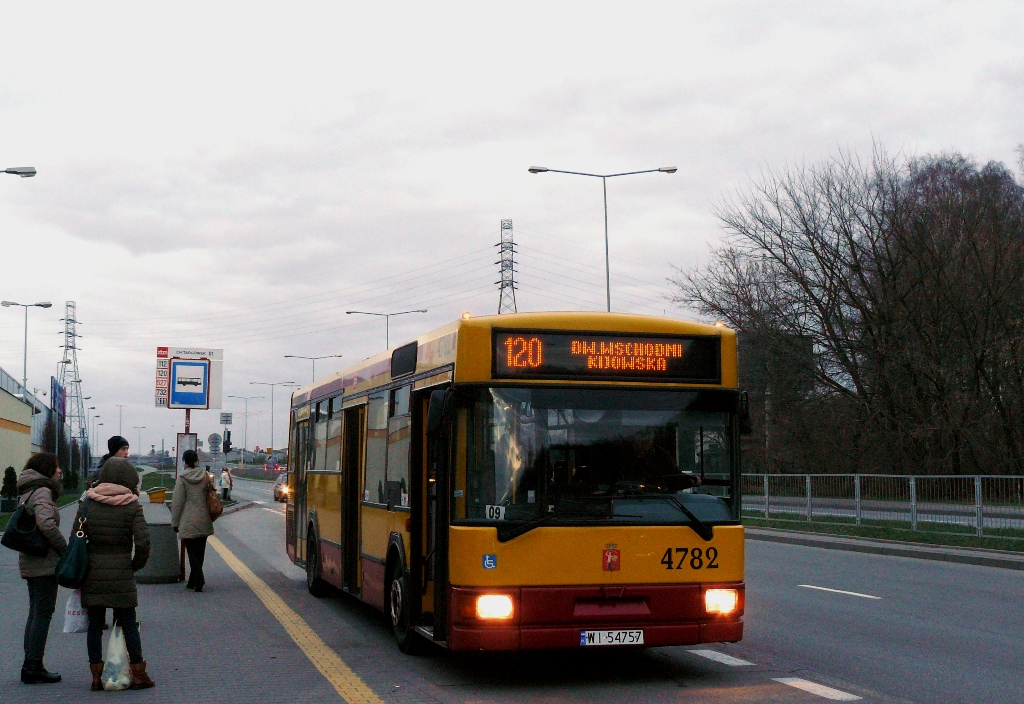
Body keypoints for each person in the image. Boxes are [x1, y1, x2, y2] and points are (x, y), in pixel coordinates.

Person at [79, 457, 154, 690]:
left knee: (94, 625)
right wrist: (134, 565)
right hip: (122, 569)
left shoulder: (88, 504)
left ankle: (95, 676)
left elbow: (76, 538)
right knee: (128, 623)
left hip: (93, 571)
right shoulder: (132, 505)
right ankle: (139, 674)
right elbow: (143, 543)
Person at [17, 452, 68, 685]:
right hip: (43, 562)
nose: (59, 471)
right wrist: (64, 549)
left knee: (35, 611)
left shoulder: (29, 488)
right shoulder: (42, 491)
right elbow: (46, 523)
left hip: (31, 560)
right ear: (47, 469)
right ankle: (33, 666)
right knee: (42, 613)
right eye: (56, 467)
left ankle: (30, 663)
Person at [170, 450, 214, 592]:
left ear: (184, 461)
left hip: (188, 519)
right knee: (200, 551)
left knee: (191, 552)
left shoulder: (182, 478)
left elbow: (177, 502)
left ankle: (198, 578)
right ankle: (194, 580)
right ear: (196, 460)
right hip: (204, 518)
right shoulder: (205, 476)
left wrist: (175, 523)